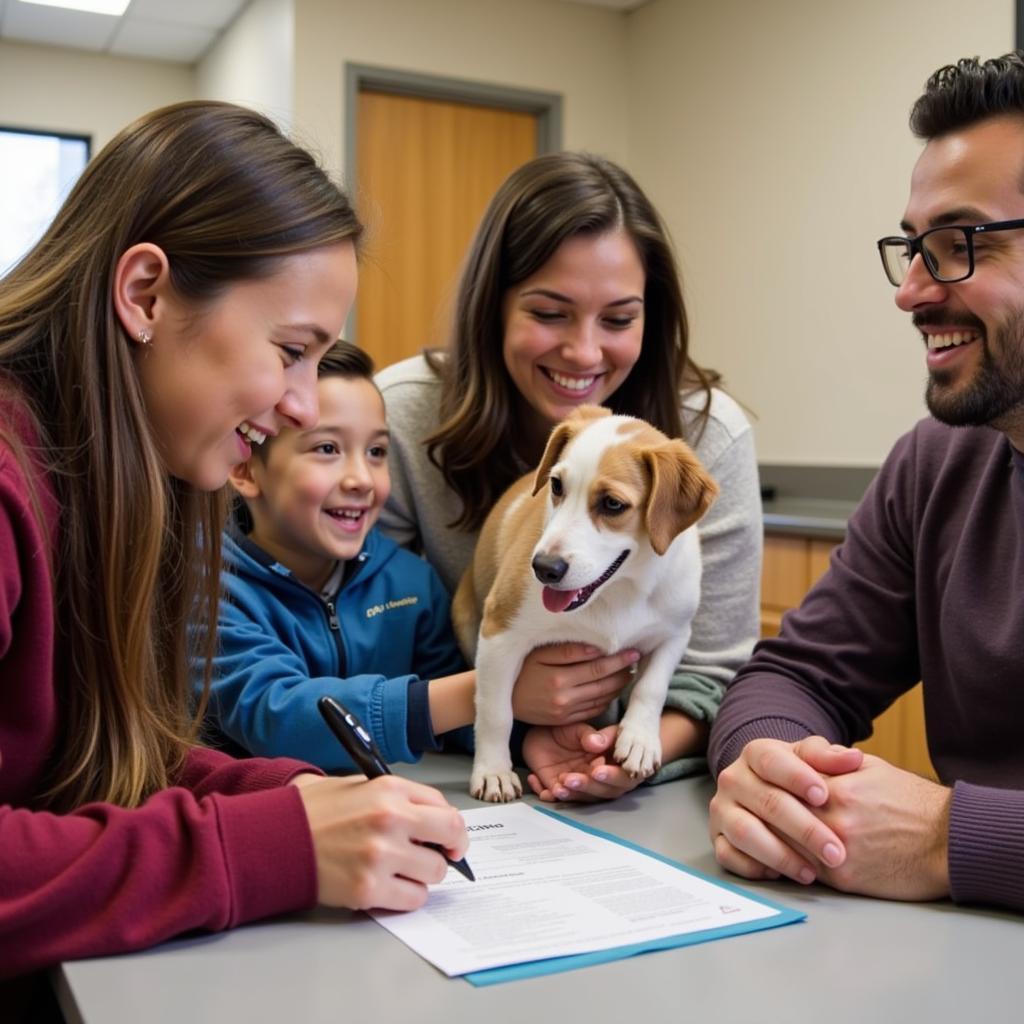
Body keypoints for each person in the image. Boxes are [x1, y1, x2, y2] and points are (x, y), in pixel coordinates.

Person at [0, 101, 469, 1012]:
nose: (302, 405)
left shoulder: (135, 484)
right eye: (291, 352)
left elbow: (90, 767)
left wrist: (293, 796)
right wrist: (272, 847)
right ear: (143, 295)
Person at [707, 52, 1024, 915]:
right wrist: (773, 777)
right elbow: (797, 678)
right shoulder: (935, 465)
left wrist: (949, 839)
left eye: (959, 245)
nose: (912, 293)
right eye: (912, 248)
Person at [375, 152, 762, 802]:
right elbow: (368, 640)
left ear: (651, 314)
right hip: (440, 770)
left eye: (618, 319)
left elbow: (715, 670)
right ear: (493, 305)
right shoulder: (398, 415)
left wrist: (621, 759)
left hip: (636, 795)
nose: (584, 353)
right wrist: (510, 721)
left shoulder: (707, 439)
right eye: (549, 313)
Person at [206, 339, 475, 767]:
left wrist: (529, 740)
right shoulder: (210, 590)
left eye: (377, 452)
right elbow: (277, 715)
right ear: (245, 470)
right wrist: (483, 693)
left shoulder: (409, 581)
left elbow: (459, 716)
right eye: (327, 448)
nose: (362, 479)